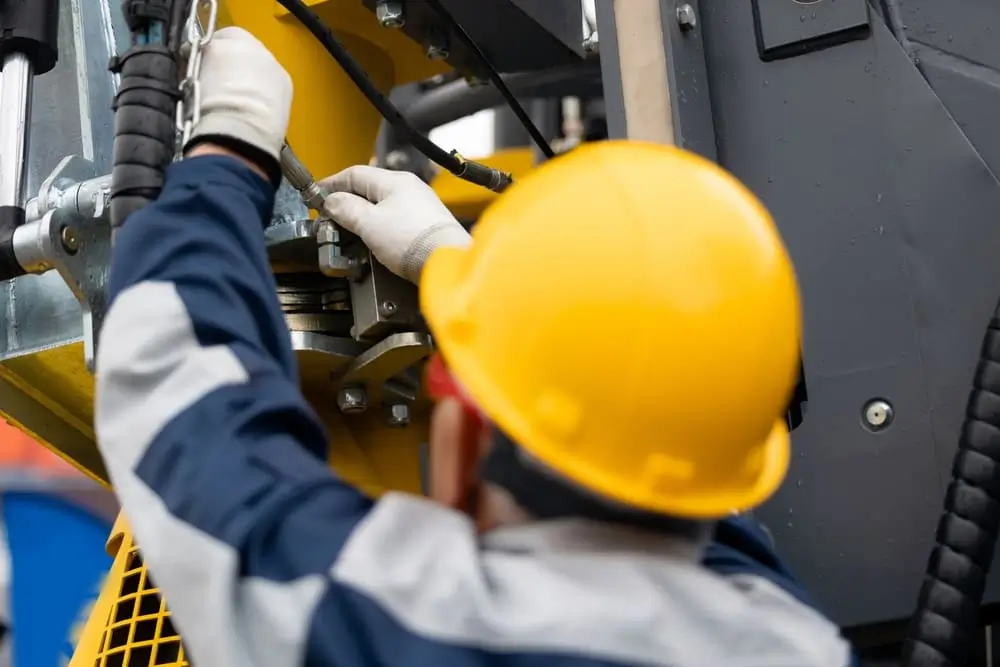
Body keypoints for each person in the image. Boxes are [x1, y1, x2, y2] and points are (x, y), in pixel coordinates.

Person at [94, 26, 854, 667]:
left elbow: (181, 400)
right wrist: (457, 272)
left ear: (468, 434)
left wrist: (227, 150)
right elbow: (669, 434)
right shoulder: (793, 638)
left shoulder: (423, 625)